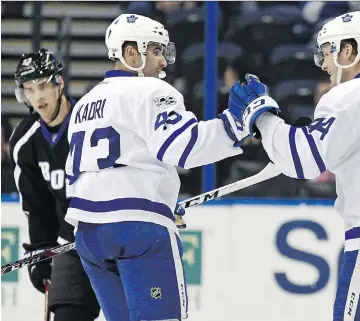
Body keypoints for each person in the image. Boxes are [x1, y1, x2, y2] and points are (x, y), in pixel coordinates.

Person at [226, 11, 360, 321]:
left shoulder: (344, 98)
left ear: (348, 51)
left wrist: (262, 118)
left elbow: (302, 160)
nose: (324, 63)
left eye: (327, 52)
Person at [64, 14, 246, 321]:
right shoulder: (151, 91)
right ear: (130, 53)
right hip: (138, 229)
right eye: (156, 51)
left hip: (89, 235)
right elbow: (183, 146)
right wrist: (236, 125)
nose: (163, 61)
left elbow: (83, 174)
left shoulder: (85, 103)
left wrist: (157, 197)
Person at [9, 49, 101, 321]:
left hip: (112, 236)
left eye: (43, 86)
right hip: (69, 245)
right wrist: (40, 249)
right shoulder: (26, 142)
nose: (37, 97)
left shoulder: (92, 123)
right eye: (28, 89)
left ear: (60, 82)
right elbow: (37, 206)